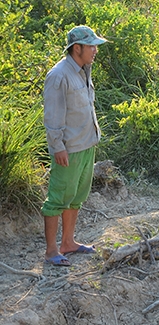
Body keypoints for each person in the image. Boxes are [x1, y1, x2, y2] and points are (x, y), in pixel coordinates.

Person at [42, 25, 109, 266]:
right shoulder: (59, 75)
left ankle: (68, 243)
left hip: (86, 144)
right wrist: (57, 146)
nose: (95, 50)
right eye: (91, 46)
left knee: (76, 197)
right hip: (68, 149)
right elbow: (53, 117)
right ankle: (51, 251)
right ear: (76, 48)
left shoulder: (83, 70)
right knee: (58, 198)